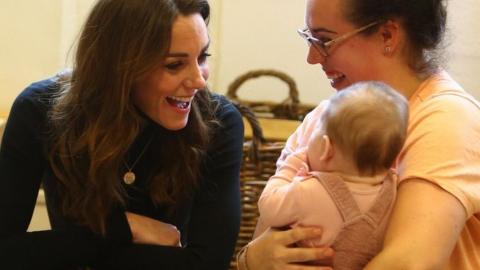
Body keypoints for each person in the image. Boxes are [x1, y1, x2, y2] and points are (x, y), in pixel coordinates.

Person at [0, 0, 244, 269]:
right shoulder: (39, 110)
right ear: (119, 66)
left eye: (202, 57)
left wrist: (74, 247)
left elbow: (207, 263)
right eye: (174, 65)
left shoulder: (219, 121)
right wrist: (126, 228)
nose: (199, 80)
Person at [238, 0, 480, 269]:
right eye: (310, 38)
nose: (312, 57)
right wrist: (252, 259)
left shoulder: (446, 117)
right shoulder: (322, 119)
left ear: (387, 35)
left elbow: (410, 261)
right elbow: (267, 233)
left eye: (325, 40)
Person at [252, 81, 408, 270]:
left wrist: (290, 166)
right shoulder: (394, 192)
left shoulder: (308, 191)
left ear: (326, 149)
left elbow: (268, 208)